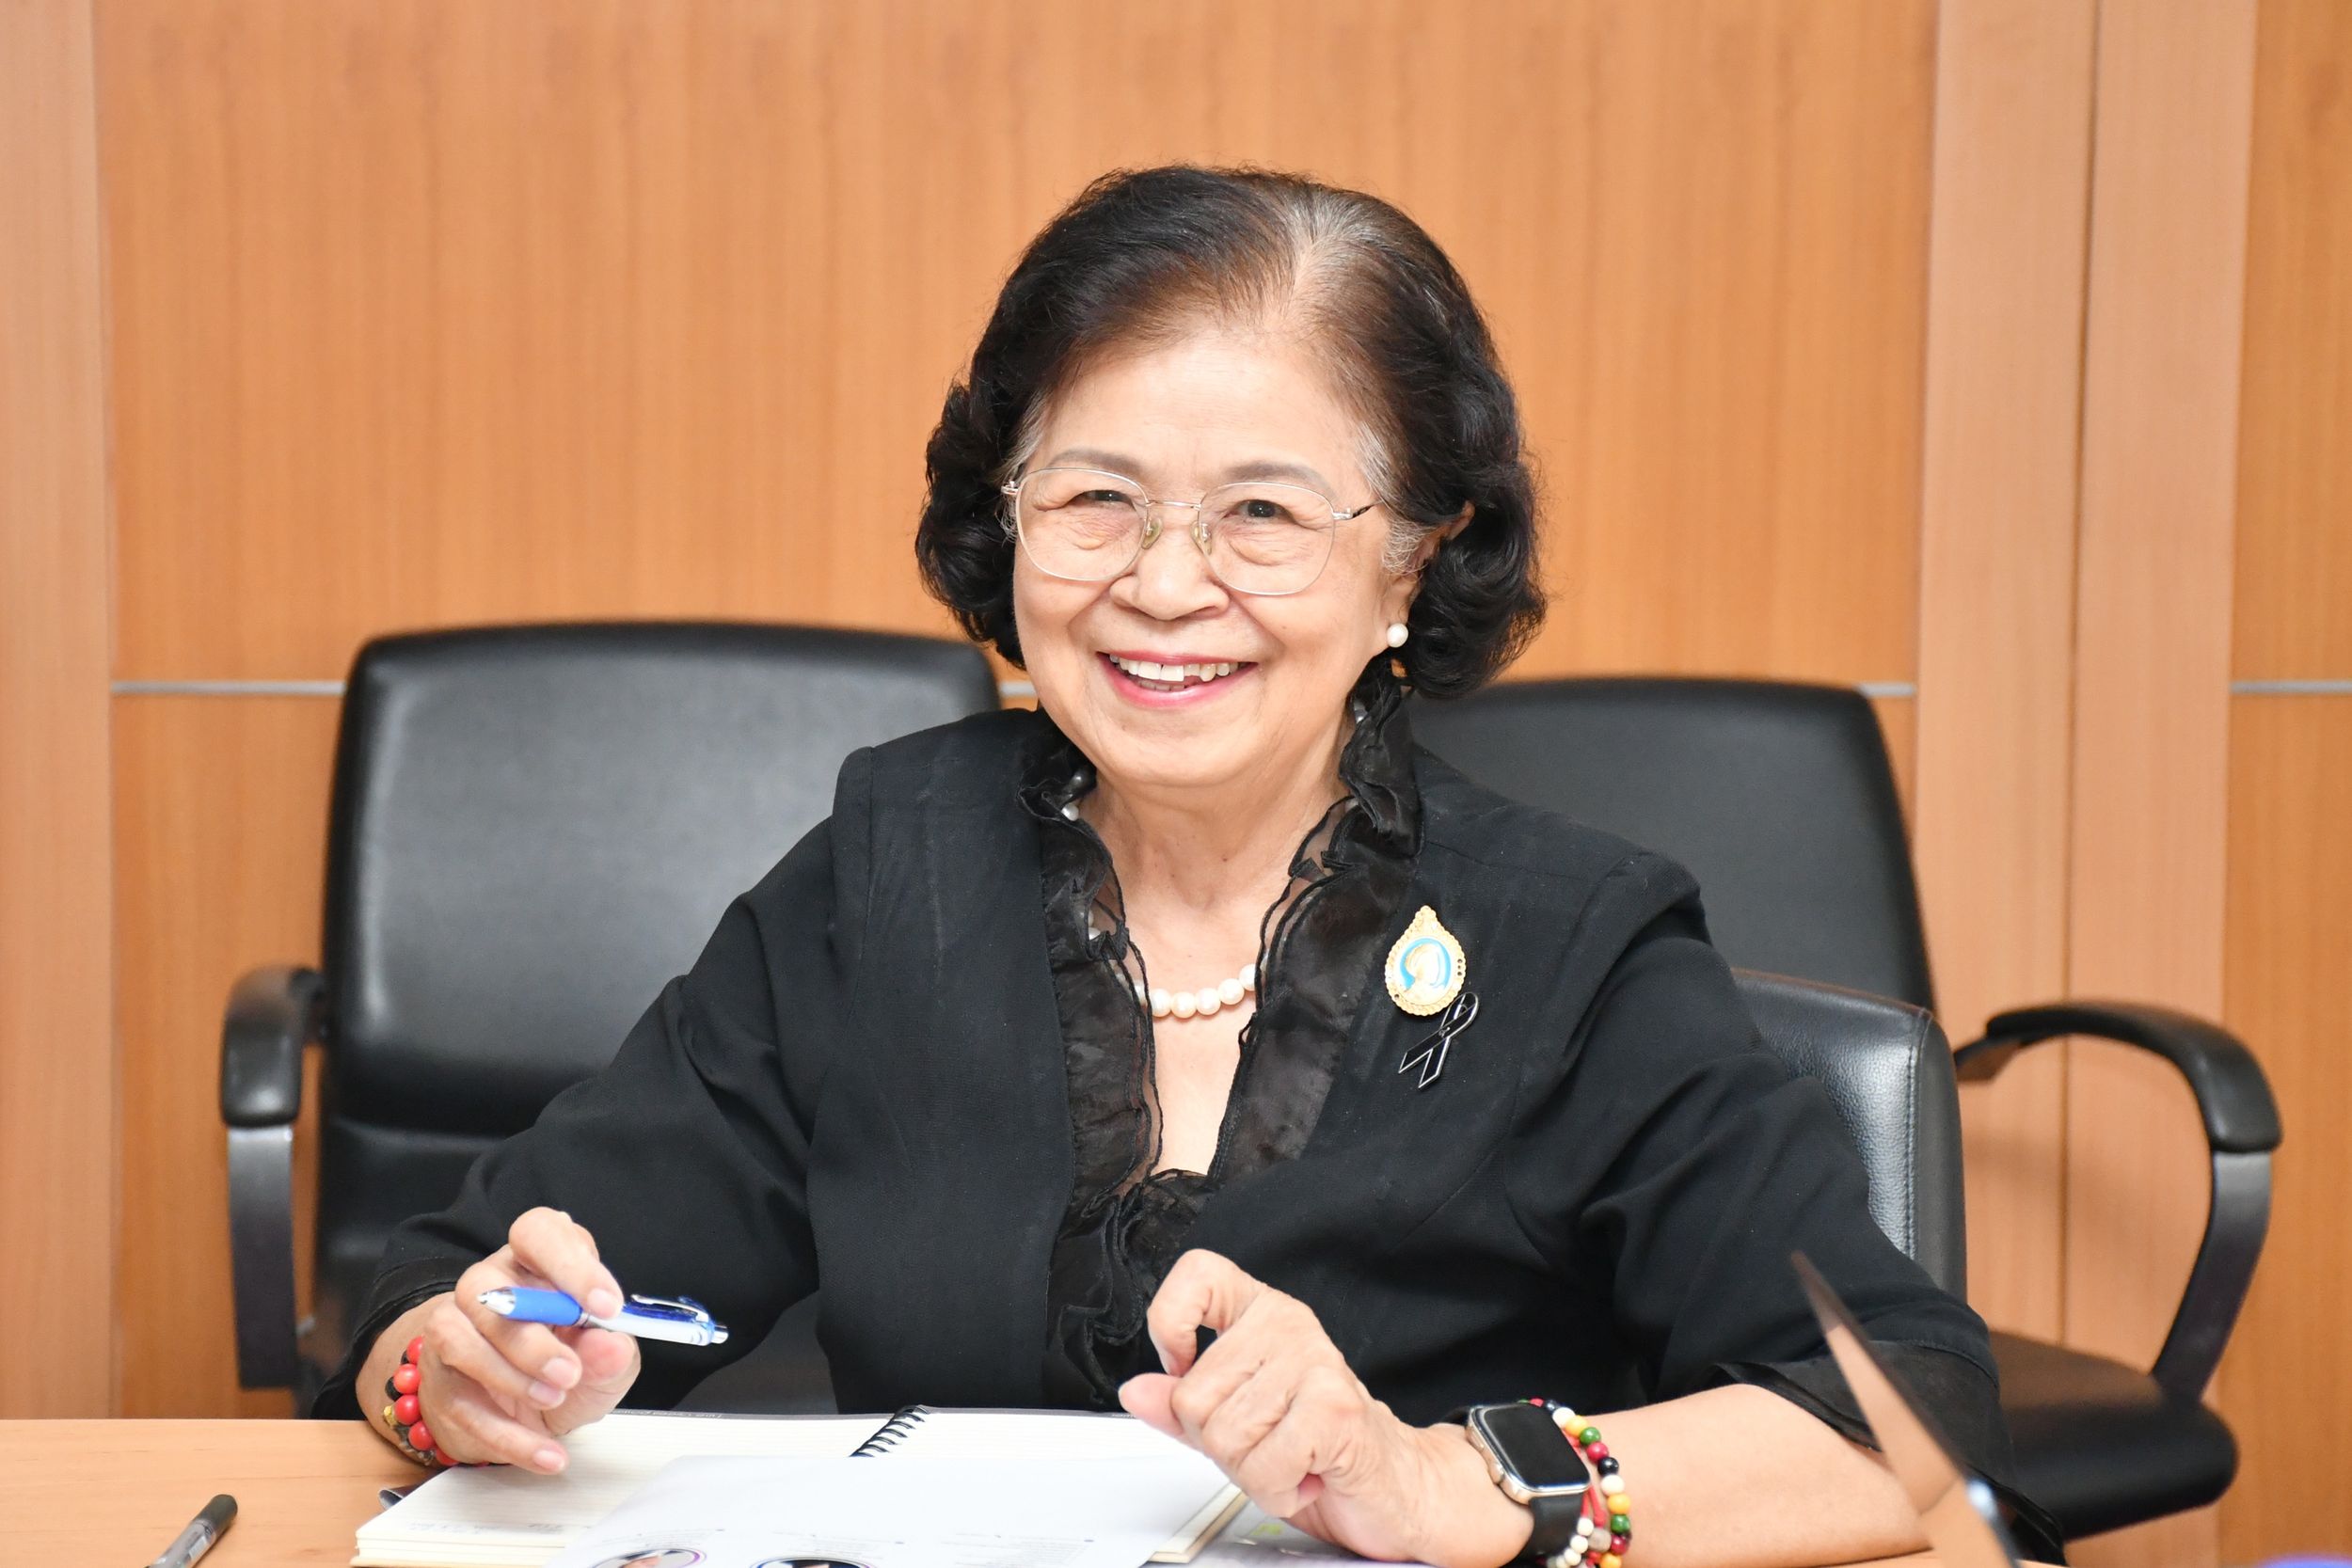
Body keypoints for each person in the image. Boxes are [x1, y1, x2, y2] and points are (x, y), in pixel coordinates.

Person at [324, 166, 2052, 1567]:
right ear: (1007, 524)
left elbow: (1898, 1417)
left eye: (1264, 515)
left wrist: (1447, 1483)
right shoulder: (889, 876)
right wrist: (469, 1369)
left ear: (1411, 565)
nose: (1161, 586)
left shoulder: (1570, 942)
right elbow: (438, 1301)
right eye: (1095, 499)